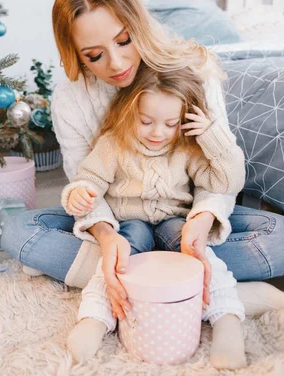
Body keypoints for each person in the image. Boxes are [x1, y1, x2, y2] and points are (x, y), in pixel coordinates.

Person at [1, 0, 284, 353]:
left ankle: (130, 280)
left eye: (124, 40)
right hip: (123, 223)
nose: (116, 63)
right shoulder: (73, 98)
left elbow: (219, 176)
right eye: (94, 55)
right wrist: (105, 233)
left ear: (140, 24)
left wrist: (203, 219)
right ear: (75, 54)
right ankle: (202, 287)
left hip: (182, 217)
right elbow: (86, 179)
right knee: (19, 230)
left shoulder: (190, 70)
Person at [63, 64, 247, 368]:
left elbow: (227, 183)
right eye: (146, 121)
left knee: (201, 258)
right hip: (129, 224)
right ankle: (94, 319)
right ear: (128, 112)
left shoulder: (188, 147)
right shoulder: (113, 144)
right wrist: (79, 193)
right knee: (114, 262)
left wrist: (215, 138)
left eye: (170, 123)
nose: (158, 133)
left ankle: (227, 320)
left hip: (176, 222)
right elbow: (88, 179)